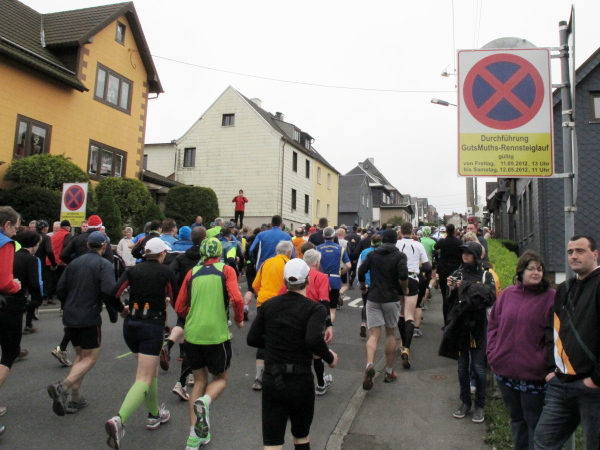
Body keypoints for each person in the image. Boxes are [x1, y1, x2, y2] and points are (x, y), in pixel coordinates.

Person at [247, 258, 338, 450]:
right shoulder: (315, 309)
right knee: (301, 436)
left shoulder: (269, 306)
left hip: (273, 378)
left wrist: (274, 343)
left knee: (272, 441)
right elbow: (313, 339)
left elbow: (252, 338)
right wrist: (330, 357)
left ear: (284, 281)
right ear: (308, 280)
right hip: (300, 380)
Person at [105, 238, 179, 449]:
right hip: (151, 326)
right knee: (144, 377)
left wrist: (121, 309)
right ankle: (119, 419)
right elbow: (176, 300)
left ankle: (154, 414)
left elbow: (112, 294)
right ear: (162, 254)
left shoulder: (133, 271)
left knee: (150, 371)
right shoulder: (166, 272)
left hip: (131, 325)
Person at [174, 237, 244, 449]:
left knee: (198, 380)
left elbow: (179, 307)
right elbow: (236, 298)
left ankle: (194, 436)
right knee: (220, 378)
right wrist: (239, 319)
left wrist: (193, 315)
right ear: (219, 253)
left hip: (193, 333)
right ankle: (205, 402)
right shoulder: (226, 270)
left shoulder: (192, 273)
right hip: (216, 334)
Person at [533, 236, 600, 449]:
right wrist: (552, 368)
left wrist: (596, 380)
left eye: (580, 251)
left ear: (595, 254)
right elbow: (552, 329)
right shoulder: (564, 288)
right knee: (543, 442)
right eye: (570, 252)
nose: (574, 256)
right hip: (561, 384)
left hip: (592, 390)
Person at [48, 231, 121, 417]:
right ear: (104, 246)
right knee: (90, 358)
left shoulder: (73, 263)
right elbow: (108, 291)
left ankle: (75, 397)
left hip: (71, 315)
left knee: (81, 356)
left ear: (88, 244)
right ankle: (63, 386)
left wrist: (69, 304)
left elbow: (60, 289)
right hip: (89, 316)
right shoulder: (104, 264)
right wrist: (115, 312)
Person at [487, 250, 555, 450]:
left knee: (534, 423)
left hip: (534, 375)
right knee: (517, 420)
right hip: (505, 372)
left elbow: (556, 334)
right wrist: (493, 353)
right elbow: (493, 325)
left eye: (539, 269)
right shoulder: (508, 294)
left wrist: (542, 360)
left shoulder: (550, 297)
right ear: (521, 271)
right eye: (531, 269)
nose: (536, 273)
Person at [439, 241, 495, 424]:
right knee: (462, 367)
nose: (465, 255)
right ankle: (465, 402)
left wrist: (465, 287)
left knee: (478, 367)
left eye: (469, 252)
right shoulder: (458, 273)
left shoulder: (486, 275)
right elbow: (451, 302)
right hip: (461, 324)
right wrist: (452, 289)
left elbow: (490, 296)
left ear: (477, 255)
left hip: (479, 325)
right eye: (463, 252)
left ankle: (480, 405)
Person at [358, 229, 408, 389]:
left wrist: (363, 287)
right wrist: (405, 289)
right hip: (391, 298)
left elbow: (361, 270)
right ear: (396, 240)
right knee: (391, 334)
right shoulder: (400, 256)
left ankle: (369, 364)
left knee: (373, 335)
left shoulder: (373, 254)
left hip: (374, 297)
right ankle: (389, 371)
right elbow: (403, 276)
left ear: (383, 240)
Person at [251, 241, 293, 390]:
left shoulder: (266, 263)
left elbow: (255, 285)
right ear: (289, 252)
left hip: (263, 303)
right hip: (280, 304)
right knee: (281, 339)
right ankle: (279, 375)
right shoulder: (288, 264)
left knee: (263, 339)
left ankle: (258, 377)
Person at [0, 207, 23, 437]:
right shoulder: (5, 244)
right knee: (9, 352)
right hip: (3, 305)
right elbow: (5, 283)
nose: (16, 233)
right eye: (15, 228)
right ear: (6, 224)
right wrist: (16, 284)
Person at [396, 223, 430, 367]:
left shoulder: (396, 244)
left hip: (398, 279)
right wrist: (417, 267)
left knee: (401, 313)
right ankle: (407, 348)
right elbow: (427, 266)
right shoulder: (418, 245)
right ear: (411, 231)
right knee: (409, 315)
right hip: (413, 278)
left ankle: (402, 342)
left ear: (400, 231)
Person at [316, 227, 350, 322]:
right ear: (334, 236)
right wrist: (341, 273)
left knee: (320, 307)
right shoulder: (341, 249)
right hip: (335, 279)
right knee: (332, 309)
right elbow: (349, 265)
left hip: (321, 280)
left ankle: (321, 326)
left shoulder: (317, 248)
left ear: (323, 236)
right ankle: (328, 327)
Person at [434, 224, 463, 325]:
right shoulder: (459, 242)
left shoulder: (443, 241)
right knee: (455, 296)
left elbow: (436, 246)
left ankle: (446, 321)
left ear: (446, 231)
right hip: (455, 270)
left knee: (445, 296)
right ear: (454, 231)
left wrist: (443, 237)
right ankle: (454, 320)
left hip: (444, 271)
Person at [356, 233, 382, 337]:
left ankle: (364, 322)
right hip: (378, 282)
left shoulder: (364, 252)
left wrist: (359, 282)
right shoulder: (382, 253)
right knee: (377, 306)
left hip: (366, 281)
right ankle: (374, 327)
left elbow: (359, 267)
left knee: (366, 303)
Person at [18, 231, 44, 335]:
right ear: (34, 245)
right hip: (23, 292)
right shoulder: (33, 259)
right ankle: (28, 325)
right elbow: (35, 282)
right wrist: (39, 296)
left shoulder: (14, 254)